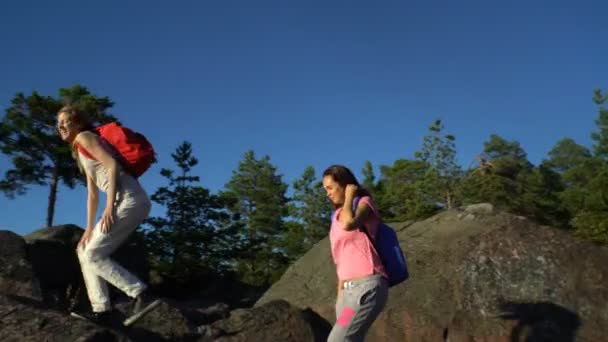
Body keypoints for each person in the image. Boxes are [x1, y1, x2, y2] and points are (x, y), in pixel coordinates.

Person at [56, 105, 160, 326]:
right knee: (84, 250)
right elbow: (92, 194)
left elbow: (112, 166)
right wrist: (88, 228)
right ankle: (102, 310)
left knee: (94, 254)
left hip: (130, 200)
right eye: (59, 123)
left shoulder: (85, 137)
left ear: (79, 124)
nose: (61, 126)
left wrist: (110, 207)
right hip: (125, 202)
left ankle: (140, 294)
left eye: (66, 122)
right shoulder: (79, 149)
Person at [322, 165, 389, 342]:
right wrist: (339, 297)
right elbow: (340, 260)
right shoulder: (335, 216)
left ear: (344, 184)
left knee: (337, 340)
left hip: (367, 286)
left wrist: (350, 195)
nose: (327, 193)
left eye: (330, 188)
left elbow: (349, 224)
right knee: (350, 338)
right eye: (325, 189)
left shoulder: (364, 203)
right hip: (347, 293)